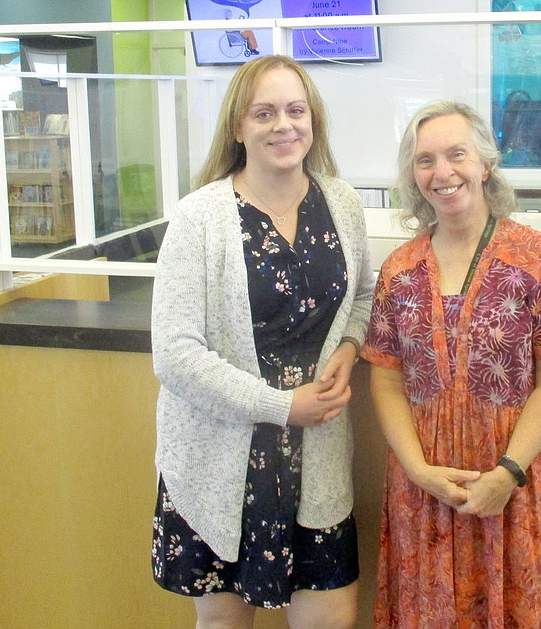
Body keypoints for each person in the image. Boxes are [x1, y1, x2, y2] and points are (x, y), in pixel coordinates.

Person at [151, 55, 374, 629]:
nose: (284, 126)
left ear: (313, 120)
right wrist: (283, 407)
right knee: (225, 621)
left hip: (317, 456)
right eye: (265, 113)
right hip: (220, 457)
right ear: (237, 127)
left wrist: (348, 348)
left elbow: (364, 296)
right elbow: (174, 353)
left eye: (296, 111)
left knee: (331, 617)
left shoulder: (341, 203)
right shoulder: (199, 217)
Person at [361, 101, 541, 628]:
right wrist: (419, 472)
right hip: (426, 491)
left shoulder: (538, 257)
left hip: (515, 482)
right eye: (425, 161)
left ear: (485, 164)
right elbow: (387, 380)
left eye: (456, 154)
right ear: (413, 177)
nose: (442, 172)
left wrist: (507, 475)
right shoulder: (400, 270)